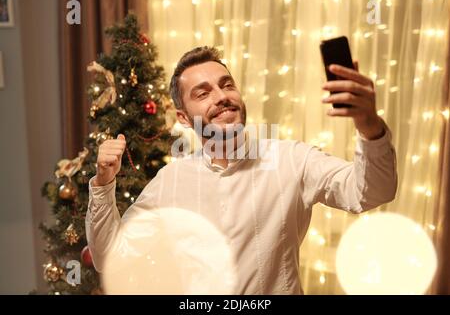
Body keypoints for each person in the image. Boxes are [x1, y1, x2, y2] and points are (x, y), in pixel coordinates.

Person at [86, 46, 397, 294]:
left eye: (227, 85)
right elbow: (110, 257)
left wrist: (368, 125)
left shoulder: (292, 159)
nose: (222, 97)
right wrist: (103, 182)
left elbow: (370, 192)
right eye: (203, 92)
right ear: (182, 118)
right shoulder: (170, 180)